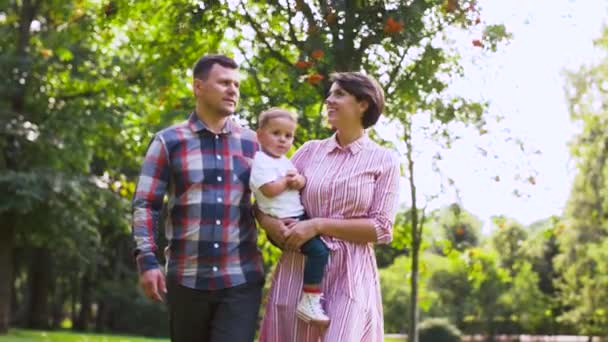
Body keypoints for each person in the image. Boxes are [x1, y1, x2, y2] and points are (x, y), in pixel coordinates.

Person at [257, 72, 400, 342]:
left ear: (363, 104)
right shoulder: (309, 151)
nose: (328, 100)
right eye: (330, 94)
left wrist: (318, 225)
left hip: (351, 275)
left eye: (339, 94)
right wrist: (270, 225)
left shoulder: (384, 160)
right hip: (298, 269)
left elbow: (382, 228)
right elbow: (266, 198)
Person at [131, 54, 264, 342]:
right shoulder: (168, 141)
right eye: (224, 83)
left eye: (236, 85)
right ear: (198, 87)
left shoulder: (254, 143)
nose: (233, 90)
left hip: (240, 278)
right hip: (186, 279)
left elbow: (274, 202)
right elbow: (146, 205)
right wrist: (148, 261)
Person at [249, 108, 331, 326]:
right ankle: (310, 298)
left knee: (319, 249)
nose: (283, 140)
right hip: (282, 222)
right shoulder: (261, 162)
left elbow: (298, 180)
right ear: (260, 135)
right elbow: (268, 190)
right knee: (319, 252)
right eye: (276, 133)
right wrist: (287, 182)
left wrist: (299, 181)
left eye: (288, 135)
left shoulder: (283, 161)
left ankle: (311, 296)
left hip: (297, 216)